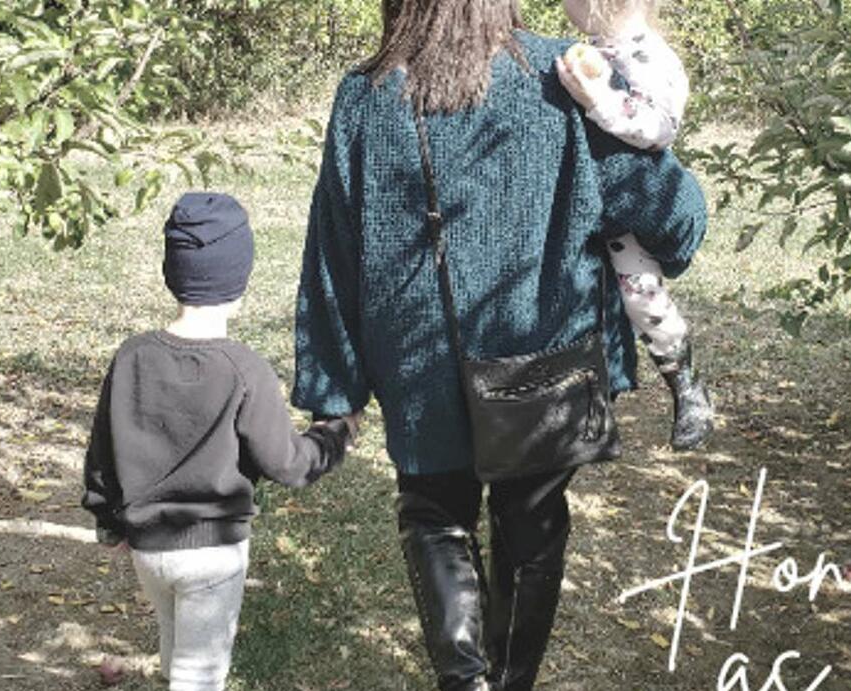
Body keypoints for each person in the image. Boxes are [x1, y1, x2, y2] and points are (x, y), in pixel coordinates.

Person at [291, 1, 707, 689]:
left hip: (417, 363)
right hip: (545, 365)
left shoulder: (365, 95)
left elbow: (332, 253)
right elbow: (676, 221)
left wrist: (335, 394)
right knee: (532, 524)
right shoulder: (567, 75)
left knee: (433, 514)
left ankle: (466, 682)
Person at [81, 192, 360, 691]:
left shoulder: (132, 357)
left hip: (148, 548)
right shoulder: (244, 370)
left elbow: (101, 454)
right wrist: (336, 433)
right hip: (213, 554)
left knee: (174, 645)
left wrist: (109, 523)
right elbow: (289, 464)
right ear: (240, 281)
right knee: (199, 677)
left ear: (172, 272)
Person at [557, 0, 713, 450]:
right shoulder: (593, 48)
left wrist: (599, 101)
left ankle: (687, 386)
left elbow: (660, 128)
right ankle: (590, 399)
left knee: (641, 297)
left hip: (626, 209)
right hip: (586, 202)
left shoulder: (651, 57)